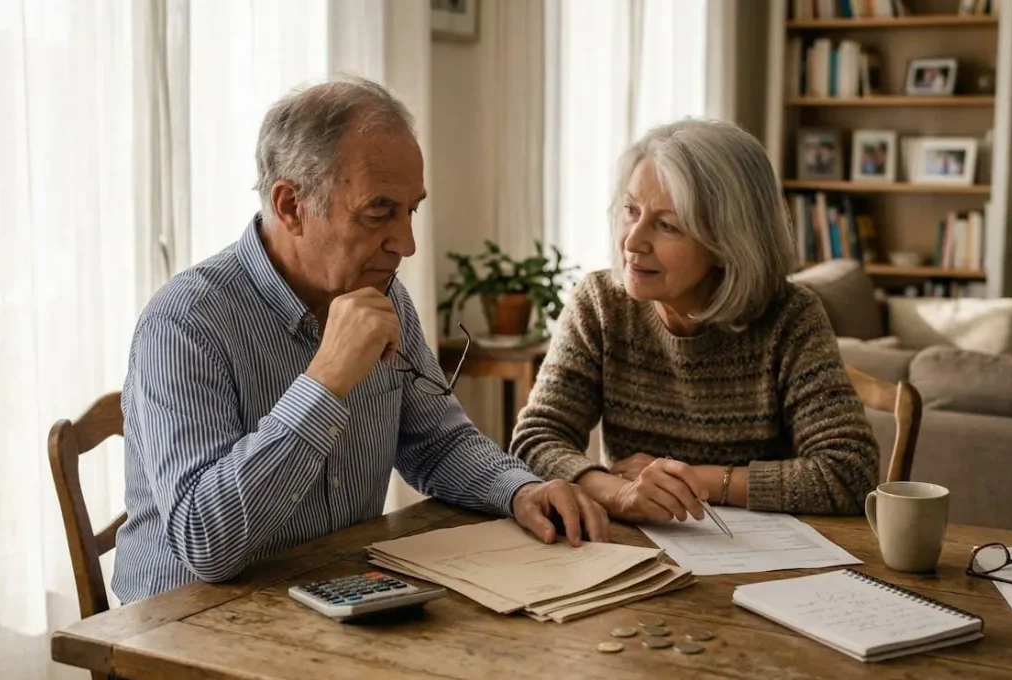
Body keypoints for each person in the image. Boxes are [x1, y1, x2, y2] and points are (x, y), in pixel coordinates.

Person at [113, 77, 608, 604]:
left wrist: (520, 489)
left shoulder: (381, 294)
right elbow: (207, 544)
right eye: (378, 211)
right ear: (289, 206)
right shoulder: (185, 322)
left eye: (410, 210)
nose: (407, 244)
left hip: (335, 598)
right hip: (187, 626)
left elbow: (437, 442)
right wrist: (326, 380)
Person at [509, 119, 878, 525]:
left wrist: (698, 481)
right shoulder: (600, 303)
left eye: (667, 225)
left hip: (764, 562)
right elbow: (535, 440)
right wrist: (619, 493)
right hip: (636, 548)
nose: (632, 241)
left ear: (728, 243)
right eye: (631, 210)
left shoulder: (791, 317)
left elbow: (850, 472)